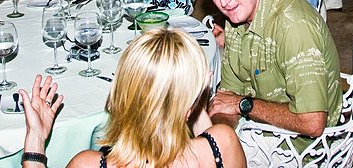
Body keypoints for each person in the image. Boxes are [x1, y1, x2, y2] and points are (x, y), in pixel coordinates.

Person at [19, 29, 246, 168]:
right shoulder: (222, 145)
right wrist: (194, 99)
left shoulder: (87, 164)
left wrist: (36, 140)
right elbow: (204, 136)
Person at [202, 0, 342, 144]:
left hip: (297, 146)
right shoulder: (236, 17)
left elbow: (312, 122)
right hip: (258, 128)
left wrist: (243, 104)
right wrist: (219, 141)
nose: (223, 2)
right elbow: (227, 98)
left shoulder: (293, 26)